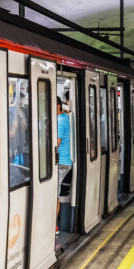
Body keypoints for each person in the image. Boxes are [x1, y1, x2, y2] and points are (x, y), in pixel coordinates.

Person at [57, 96, 73, 233]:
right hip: (64, 162)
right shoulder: (64, 118)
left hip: (61, 163)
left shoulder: (60, 120)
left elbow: (56, 143)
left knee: (54, 195)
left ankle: (54, 226)